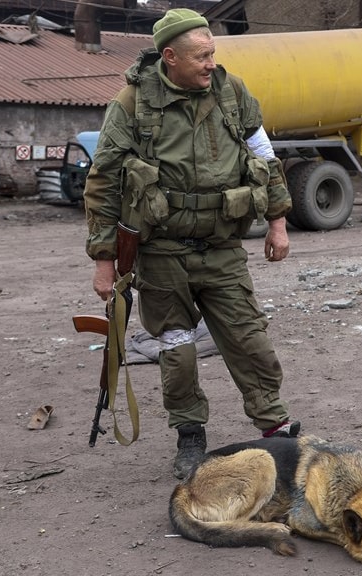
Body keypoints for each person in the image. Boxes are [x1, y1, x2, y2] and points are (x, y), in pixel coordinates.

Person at [82, 8, 299, 479]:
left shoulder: (232, 91)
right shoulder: (132, 104)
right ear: (170, 57)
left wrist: (278, 222)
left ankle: (275, 431)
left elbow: (265, 157)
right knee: (177, 351)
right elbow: (103, 182)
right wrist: (104, 261)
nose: (210, 64)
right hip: (162, 252)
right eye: (201, 56)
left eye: (213, 53)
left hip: (221, 247)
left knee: (249, 339)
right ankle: (190, 435)